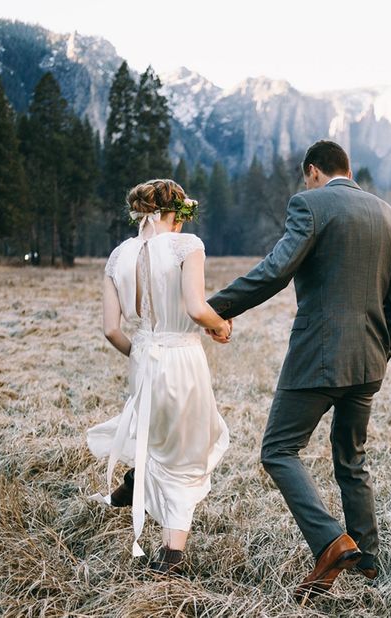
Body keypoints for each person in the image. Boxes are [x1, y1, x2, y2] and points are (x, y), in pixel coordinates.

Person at [207, 140, 391, 603]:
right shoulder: (389, 215)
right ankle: (368, 560)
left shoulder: (311, 205)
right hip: (368, 361)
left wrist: (214, 307)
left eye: (307, 177)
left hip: (319, 357)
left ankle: (330, 542)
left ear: (314, 171)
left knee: (279, 449)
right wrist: (383, 349)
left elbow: (276, 271)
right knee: (351, 457)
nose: (307, 184)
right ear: (349, 169)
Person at [86, 179, 232, 576]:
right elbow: (196, 308)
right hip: (182, 357)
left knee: (157, 440)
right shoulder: (188, 246)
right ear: (176, 214)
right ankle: (171, 555)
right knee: (187, 453)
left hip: (144, 358)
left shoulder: (118, 256)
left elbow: (111, 330)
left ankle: (139, 481)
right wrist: (221, 326)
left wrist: (142, 355)